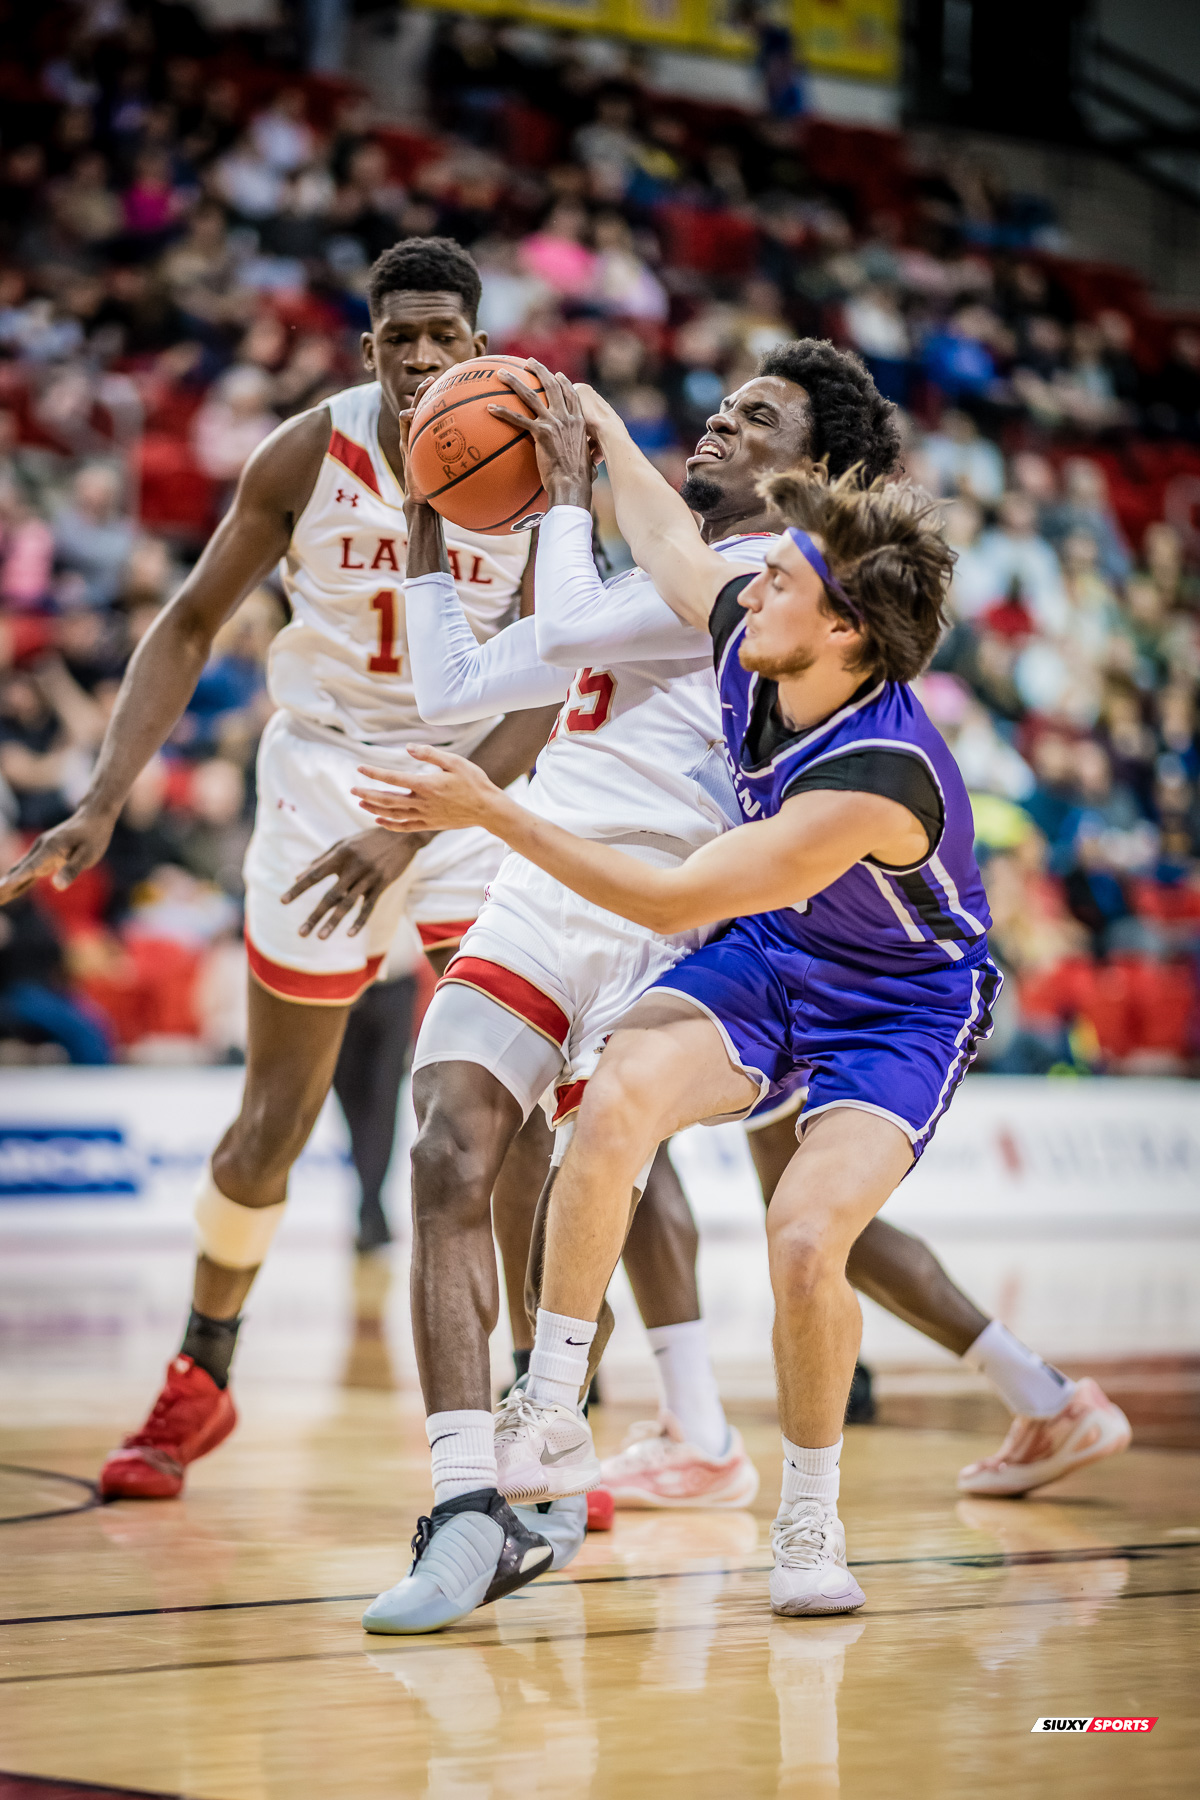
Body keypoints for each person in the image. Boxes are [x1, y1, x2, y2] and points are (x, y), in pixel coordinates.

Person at [358, 385, 1130, 1620]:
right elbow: (669, 544)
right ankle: (550, 1412)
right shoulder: (760, 630)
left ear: (847, 633)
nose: (741, 586)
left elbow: (671, 903)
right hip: (776, 957)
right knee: (614, 1106)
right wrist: (596, 432)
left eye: (775, 579)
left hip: (894, 1005)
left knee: (810, 1237)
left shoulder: (875, 776)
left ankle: (810, 1521)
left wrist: (495, 813)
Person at [0, 238, 559, 1523]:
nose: (422, 357)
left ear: (477, 345)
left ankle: (540, 1418)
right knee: (271, 1125)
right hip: (323, 788)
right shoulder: (307, 454)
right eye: (398, 336)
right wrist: (101, 797)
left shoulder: (536, 455)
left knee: (499, 1126)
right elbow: (190, 623)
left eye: (444, 336)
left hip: (475, 793)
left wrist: (423, 824)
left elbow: (544, 687)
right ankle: (205, 1371)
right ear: (366, 347)